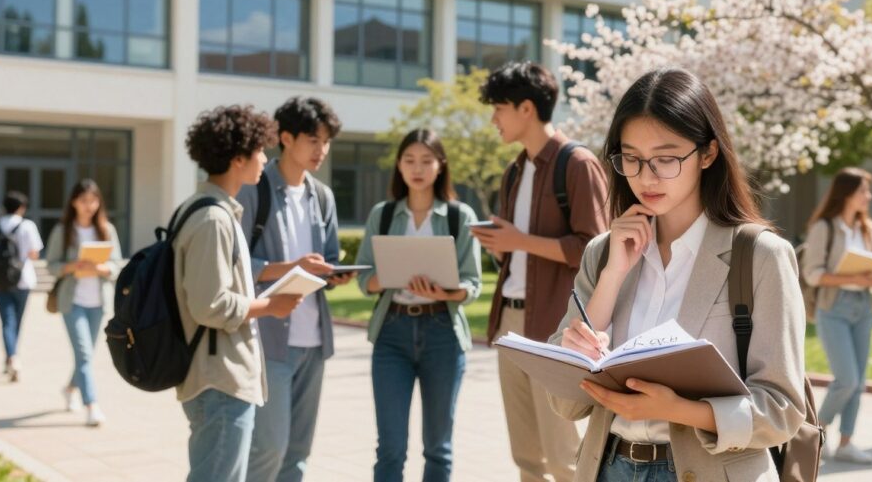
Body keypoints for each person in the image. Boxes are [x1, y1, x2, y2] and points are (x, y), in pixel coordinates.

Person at [551, 68, 806, 482]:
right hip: (607, 467)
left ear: (707, 154)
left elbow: (782, 410)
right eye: (631, 158)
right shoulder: (602, 253)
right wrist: (613, 275)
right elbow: (566, 402)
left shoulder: (759, 256)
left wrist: (676, 410)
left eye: (666, 159)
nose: (647, 176)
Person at [471, 61, 610, 482]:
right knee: (526, 455)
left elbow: (597, 250)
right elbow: (518, 249)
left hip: (555, 327)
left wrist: (519, 241)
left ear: (526, 108)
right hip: (510, 322)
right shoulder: (515, 171)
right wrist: (501, 244)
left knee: (562, 456)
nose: (494, 119)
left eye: (499, 108)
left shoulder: (578, 164)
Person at [175, 105, 303, 482]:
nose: (266, 159)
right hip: (219, 379)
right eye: (260, 151)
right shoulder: (213, 219)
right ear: (237, 158)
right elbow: (209, 304)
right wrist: (271, 306)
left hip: (219, 375)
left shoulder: (209, 211)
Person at [354, 128, 482, 482]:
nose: (418, 168)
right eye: (409, 160)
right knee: (390, 447)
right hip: (391, 334)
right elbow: (365, 279)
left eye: (427, 160)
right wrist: (392, 276)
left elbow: (472, 284)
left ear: (441, 166)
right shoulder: (382, 214)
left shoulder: (460, 217)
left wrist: (445, 293)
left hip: (442, 333)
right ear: (398, 165)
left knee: (438, 448)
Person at [240, 97, 356, 482]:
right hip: (267, 338)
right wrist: (292, 268)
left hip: (314, 342)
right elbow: (235, 265)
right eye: (312, 140)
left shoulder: (322, 196)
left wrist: (335, 272)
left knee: (299, 453)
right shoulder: (253, 191)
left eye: (326, 141)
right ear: (285, 138)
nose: (321, 150)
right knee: (268, 449)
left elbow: (329, 257)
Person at [801, 168, 872, 463]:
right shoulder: (825, 227)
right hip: (833, 307)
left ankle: (846, 442)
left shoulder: (867, 228)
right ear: (846, 193)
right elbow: (812, 273)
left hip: (863, 306)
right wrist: (853, 279)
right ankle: (814, 433)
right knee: (846, 380)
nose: (868, 196)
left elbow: (870, 265)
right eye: (864, 190)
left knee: (859, 382)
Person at [46, 179, 123, 427]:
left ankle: (70, 389)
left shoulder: (106, 229)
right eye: (83, 201)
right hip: (73, 301)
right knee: (84, 354)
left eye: (93, 200)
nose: (88, 206)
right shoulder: (64, 230)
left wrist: (101, 267)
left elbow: (116, 265)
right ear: (73, 202)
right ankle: (92, 405)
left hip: (99, 302)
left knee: (86, 354)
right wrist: (71, 266)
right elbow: (51, 265)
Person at [0, 190, 44, 382]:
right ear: (22, 208)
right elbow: (34, 253)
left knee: (7, 321)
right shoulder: (27, 226)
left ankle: (11, 357)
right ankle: (13, 356)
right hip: (23, 280)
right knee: (17, 320)